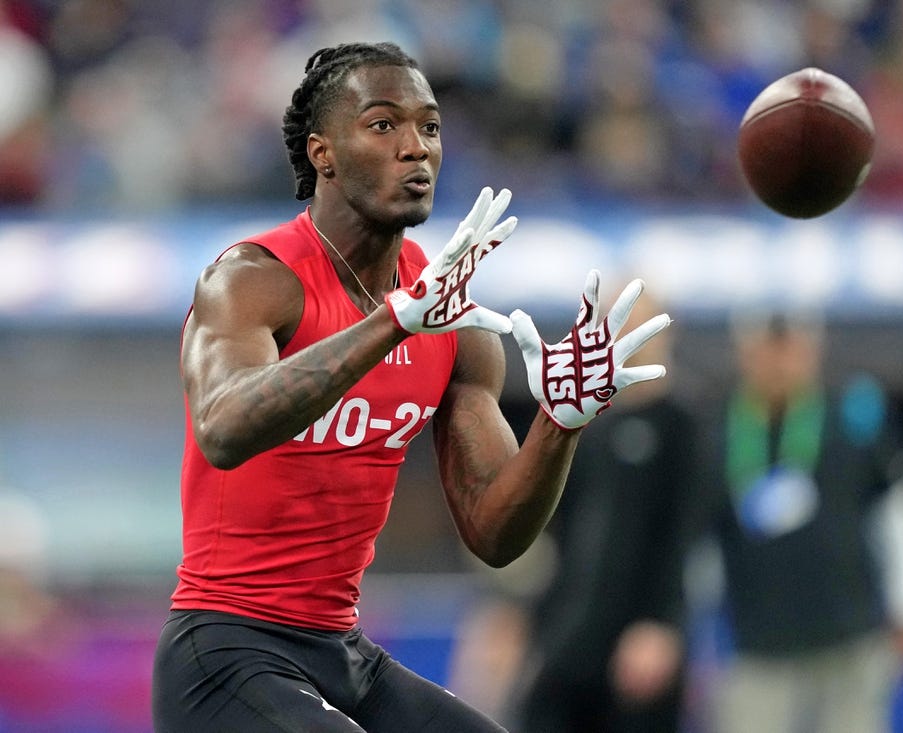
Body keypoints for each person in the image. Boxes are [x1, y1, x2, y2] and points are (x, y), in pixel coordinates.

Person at [151, 41, 671, 733]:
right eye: (383, 124)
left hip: (338, 648)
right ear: (322, 152)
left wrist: (559, 422)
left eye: (429, 126)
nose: (415, 147)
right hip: (223, 648)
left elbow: (494, 532)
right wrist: (393, 322)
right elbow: (223, 428)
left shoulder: (450, 313)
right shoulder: (253, 278)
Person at [707, 311, 903, 733]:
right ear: (744, 354)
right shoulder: (719, 430)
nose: (779, 363)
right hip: (757, 645)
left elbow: (901, 511)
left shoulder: (851, 418)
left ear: (812, 351)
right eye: (767, 350)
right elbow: (700, 540)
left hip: (849, 638)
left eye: (790, 349)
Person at [512, 289, 699, 733]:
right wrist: (520, 612)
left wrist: (662, 623)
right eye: (617, 323)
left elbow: (685, 534)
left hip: (640, 643)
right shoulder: (582, 424)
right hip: (569, 636)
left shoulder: (683, 425)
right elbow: (553, 529)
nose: (627, 334)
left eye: (640, 322)